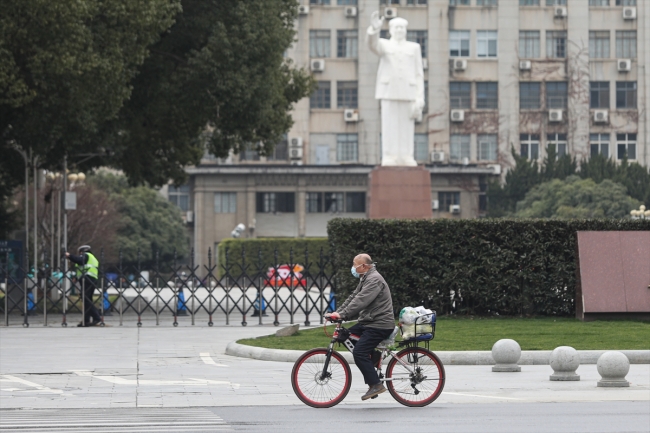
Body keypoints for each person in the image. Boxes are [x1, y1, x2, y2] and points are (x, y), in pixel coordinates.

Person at [325, 253, 395, 401]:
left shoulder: (374, 280)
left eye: (354, 264)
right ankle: (374, 357)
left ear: (363, 266)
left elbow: (361, 301)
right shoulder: (366, 278)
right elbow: (353, 297)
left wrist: (343, 315)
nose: (353, 267)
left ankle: (376, 384)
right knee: (344, 335)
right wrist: (338, 313)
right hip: (369, 322)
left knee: (359, 353)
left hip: (379, 324)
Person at [366, 12, 425, 167]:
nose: (399, 30)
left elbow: (419, 73)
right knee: (389, 126)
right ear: (391, 30)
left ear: (406, 30)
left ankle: (407, 155)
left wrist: (420, 97)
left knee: (407, 128)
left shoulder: (414, 48)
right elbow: (372, 45)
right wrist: (374, 29)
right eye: (396, 27)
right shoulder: (385, 45)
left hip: (408, 92)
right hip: (389, 91)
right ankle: (389, 156)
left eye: (402, 28)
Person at [66, 245, 101, 327]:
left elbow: (80, 261)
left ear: (82, 251)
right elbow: (82, 268)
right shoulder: (92, 258)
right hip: (91, 279)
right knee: (86, 300)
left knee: (85, 298)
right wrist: (76, 277)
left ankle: (96, 317)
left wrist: (69, 256)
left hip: (87, 279)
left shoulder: (86, 255)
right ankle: (86, 320)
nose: (80, 254)